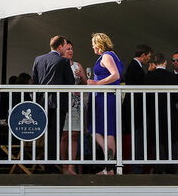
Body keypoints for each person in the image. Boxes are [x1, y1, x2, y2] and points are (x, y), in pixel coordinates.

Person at [31, 35, 76, 167]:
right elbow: (71, 82)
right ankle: (50, 165)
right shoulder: (63, 61)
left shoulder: (38, 59)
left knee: (43, 134)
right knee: (55, 134)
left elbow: (35, 81)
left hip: (42, 102)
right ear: (60, 46)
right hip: (58, 102)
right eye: (66, 45)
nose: (67, 48)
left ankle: (46, 163)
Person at [87, 32, 123, 173]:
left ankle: (108, 158)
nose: (93, 48)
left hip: (104, 97)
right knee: (107, 131)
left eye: (93, 45)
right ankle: (109, 167)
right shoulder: (113, 55)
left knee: (95, 129)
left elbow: (115, 75)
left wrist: (97, 83)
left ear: (99, 44)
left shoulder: (107, 56)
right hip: (108, 96)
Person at [144, 52, 178, 172]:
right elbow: (176, 97)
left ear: (153, 63)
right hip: (170, 113)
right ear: (165, 62)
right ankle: (172, 168)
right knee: (171, 141)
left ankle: (159, 168)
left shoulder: (149, 77)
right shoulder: (172, 77)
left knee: (158, 142)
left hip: (154, 113)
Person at [122, 44, 151, 172]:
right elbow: (142, 85)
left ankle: (136, 165)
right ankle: (136, 167)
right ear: (143, 55)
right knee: (138, 137)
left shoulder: (134, 66)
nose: (148, 60)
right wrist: (149, 73)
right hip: (136, 108)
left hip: (135, 108)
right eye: (148, 57)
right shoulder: (135, 67)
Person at [60, 40, 87, 174]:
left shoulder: (77, 65)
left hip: (76, 104)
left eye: (71, 48)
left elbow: (86, 83)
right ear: (61, 50)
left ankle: (72, 166)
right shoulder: (58, 64)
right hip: (63, 103)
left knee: (74, 134)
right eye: (67, 49)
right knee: (64, 135)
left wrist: (81, 76)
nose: (70, 51)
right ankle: (64, 167)